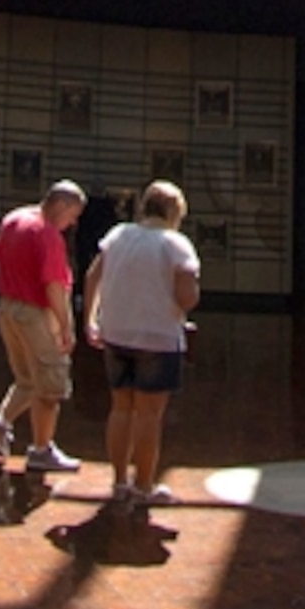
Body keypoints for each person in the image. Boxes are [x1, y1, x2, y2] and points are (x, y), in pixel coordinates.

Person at [80, 179, 199, 507]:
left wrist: (89, 319)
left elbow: (92, 276)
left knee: (121, 408)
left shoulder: (118, 235)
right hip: (158, 338)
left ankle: (119, 481)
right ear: (174, 211)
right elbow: (186, 297)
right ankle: (144, 485)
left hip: (116, 333)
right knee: (149, 414)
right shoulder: (176, 244)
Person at [0, 179, 88, 474]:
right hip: (34, 312)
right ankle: (42, 450)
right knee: (50, 385)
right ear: (62, 205)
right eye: (73, 215)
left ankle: (0, 424)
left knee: (27, 379)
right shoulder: (48, 234)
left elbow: (0, 259)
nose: (72, 223)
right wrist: (66, 327)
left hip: (8, 308)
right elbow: (54, 286)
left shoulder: (14, 220)